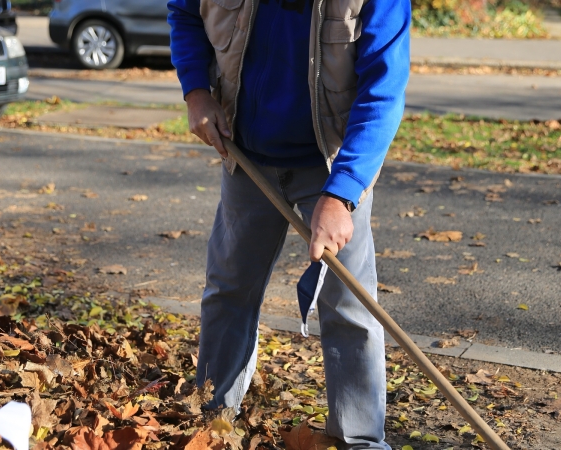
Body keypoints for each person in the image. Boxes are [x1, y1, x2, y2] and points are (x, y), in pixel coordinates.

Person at [167, 0, 410, 448]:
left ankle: (358, 440)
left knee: (351, 307)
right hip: (248, 153)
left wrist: (342, 193)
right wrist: (196, 90)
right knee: (228, 292)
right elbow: (184, 11)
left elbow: (384, 87)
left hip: (332, 162)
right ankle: (213, 425)